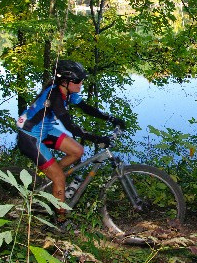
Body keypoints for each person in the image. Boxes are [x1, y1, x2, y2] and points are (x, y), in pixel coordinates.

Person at [16, 60, 125, 222]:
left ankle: (53, 179)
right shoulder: (54, 96)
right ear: (65, 82)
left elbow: (86, 107)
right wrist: (97, 138)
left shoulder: (66, 92)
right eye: (77, 81)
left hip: (45, 130)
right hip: (30, 136)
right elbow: (69, 126)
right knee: (60, 178)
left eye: (81, 80)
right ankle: (60, 221)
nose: (81, 84)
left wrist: (111, 118)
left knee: (78, 151)